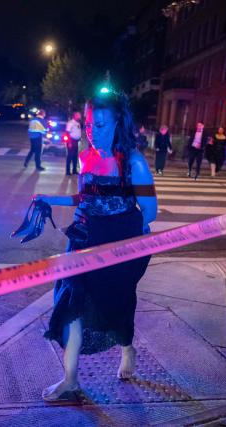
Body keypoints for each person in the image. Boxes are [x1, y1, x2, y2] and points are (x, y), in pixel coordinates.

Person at [34, 90, 157, 401]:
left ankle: (127, 349)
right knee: (71, 302)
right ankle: (70, 379)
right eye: (89, 125)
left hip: (117, 243)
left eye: (100, 125)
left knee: (116, 304)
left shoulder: (134, 164)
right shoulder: (86, 156)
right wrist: (50, 199)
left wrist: (124, 241)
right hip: (83, 239)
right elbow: (83, 197)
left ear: (119, 123)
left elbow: (150, 213)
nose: (93, 132)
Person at [65, 111, 81, 175]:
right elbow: (67, 133)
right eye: (78, 115)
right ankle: (68, 171)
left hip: (76, 141)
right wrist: (69, 142)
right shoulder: (70, 123)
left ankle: (74, 170)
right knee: (70, 156)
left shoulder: (78, 123)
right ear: (75, 116)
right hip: (71, 141)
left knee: (75, 156)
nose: (80, 116)